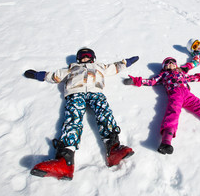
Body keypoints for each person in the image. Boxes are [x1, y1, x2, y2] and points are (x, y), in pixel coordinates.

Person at [24, 48, 139, 180]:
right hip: (75, 93)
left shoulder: (99, 67)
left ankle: (113, 149)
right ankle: (64, 161)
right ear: (78, 59)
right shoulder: (71, 68)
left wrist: (126, 62)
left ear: (93, 58)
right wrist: (38, 75)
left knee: (105, 113)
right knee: (73, 119)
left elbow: (114, 67)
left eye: (87, 56)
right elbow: (55, 76)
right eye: (82, 57)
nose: (85, 58)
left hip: (96, 92)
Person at [123, 57, 200, 155]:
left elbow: (191, 77)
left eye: (173, 62)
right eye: (168, 63)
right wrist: (136, 81)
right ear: (164, 66)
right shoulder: (163, 75)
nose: (171, 64)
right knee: (173, 114)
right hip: (175, 94)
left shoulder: (181, 73)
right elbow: (151, 81)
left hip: (188, 95)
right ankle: (166, 142)